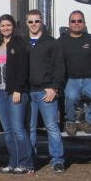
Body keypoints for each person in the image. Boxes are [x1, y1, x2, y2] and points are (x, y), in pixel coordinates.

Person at [0, 14, 34, 174]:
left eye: (8, 25)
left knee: (18, 129)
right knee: (7, 131)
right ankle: (13, 162)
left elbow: (23, 69)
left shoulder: (20, 44)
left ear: (13, 27)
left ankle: (26, 164)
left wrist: (18, 89)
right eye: (2, 26)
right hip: (0, 92)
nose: (5, 28)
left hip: (15, 92)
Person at [24, 10, 66, 172]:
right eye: (30, 21)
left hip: (46, 92)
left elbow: (59, 67)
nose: (34, 24)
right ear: (26, 23)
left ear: (42, 22)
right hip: (28, 92)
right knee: (30, 128)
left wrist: (55, 88)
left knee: (52, 127)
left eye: (37, 21)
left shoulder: (52, 43)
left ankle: (57, 160)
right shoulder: (22, 43)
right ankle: (31, 160)